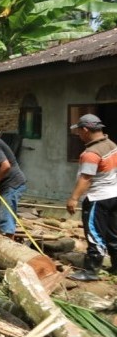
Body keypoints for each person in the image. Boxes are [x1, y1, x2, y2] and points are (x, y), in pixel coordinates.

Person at [66, 114, 117, 281]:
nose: (78, 135)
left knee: (94, 234)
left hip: (97, 198)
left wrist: (74, 198)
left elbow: (86, 178)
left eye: (79, 131)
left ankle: (90, 272)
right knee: (113, 233)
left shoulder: (91, 153)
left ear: (86, 130)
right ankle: (115, 268)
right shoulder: (111, 145)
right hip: (114, 195)